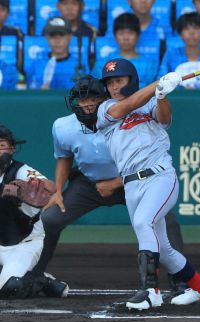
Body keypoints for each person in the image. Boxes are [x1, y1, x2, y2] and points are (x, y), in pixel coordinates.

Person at [32, 75, 184, 289]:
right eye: (82, 100)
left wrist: (115, 183)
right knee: (50, 219)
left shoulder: (126, 118)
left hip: (130, 180)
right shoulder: (62, 126)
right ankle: (35, 274)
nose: (87, 104)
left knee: (167, 223)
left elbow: (141, 152)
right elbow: (64, 157)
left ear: (104, 97)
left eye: (93, 97)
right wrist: (57, 190)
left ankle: (180, 279)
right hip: (88, 184)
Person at [97, 58, 200, 310]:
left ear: (132, 80)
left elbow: (163, 118)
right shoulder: (104, 109)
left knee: (143, 222)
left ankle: (150, 290)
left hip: (160, 176)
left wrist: (161, 95)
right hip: (131, 185)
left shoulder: (150, 101)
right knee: (163, 247)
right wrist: (157, 84)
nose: (115, 87)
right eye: (110, 82)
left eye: (120, 80)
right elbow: (127, 105)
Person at [0, 124, 64, 299]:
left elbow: (50, 187)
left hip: (23, 244)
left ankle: (38, 280)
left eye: (1, 145)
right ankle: (36, 277)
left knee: (9, 287)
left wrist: (36, 187)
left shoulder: (20, 170)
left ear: (12, 148)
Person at [92, 13, 158, 88]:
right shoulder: (103, 64)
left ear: (138, 35)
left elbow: (155, 92)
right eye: (121, 33)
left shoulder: (149, 64)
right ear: (114, 35)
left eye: (130, 33)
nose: (126, 38)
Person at [26, 16, 90, 89]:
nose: (57, 40)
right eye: (53, 35)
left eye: (62, 35)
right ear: (46, 37)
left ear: (70, 37)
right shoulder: (35, 66)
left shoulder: (81, 66)